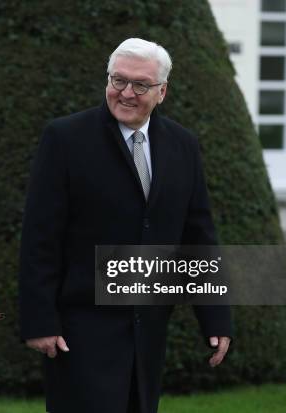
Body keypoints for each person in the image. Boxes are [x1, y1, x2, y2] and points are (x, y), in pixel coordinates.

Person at [19, 38, 232, 413]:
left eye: (141, 85)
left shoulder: (183, 145)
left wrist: (215, 315)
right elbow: (40, 237)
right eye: (118, 80)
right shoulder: (65, 138)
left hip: (148, 330)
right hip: (80, 331)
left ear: (162, 91)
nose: (126, 93)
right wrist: (40, 320)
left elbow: (198, 235)